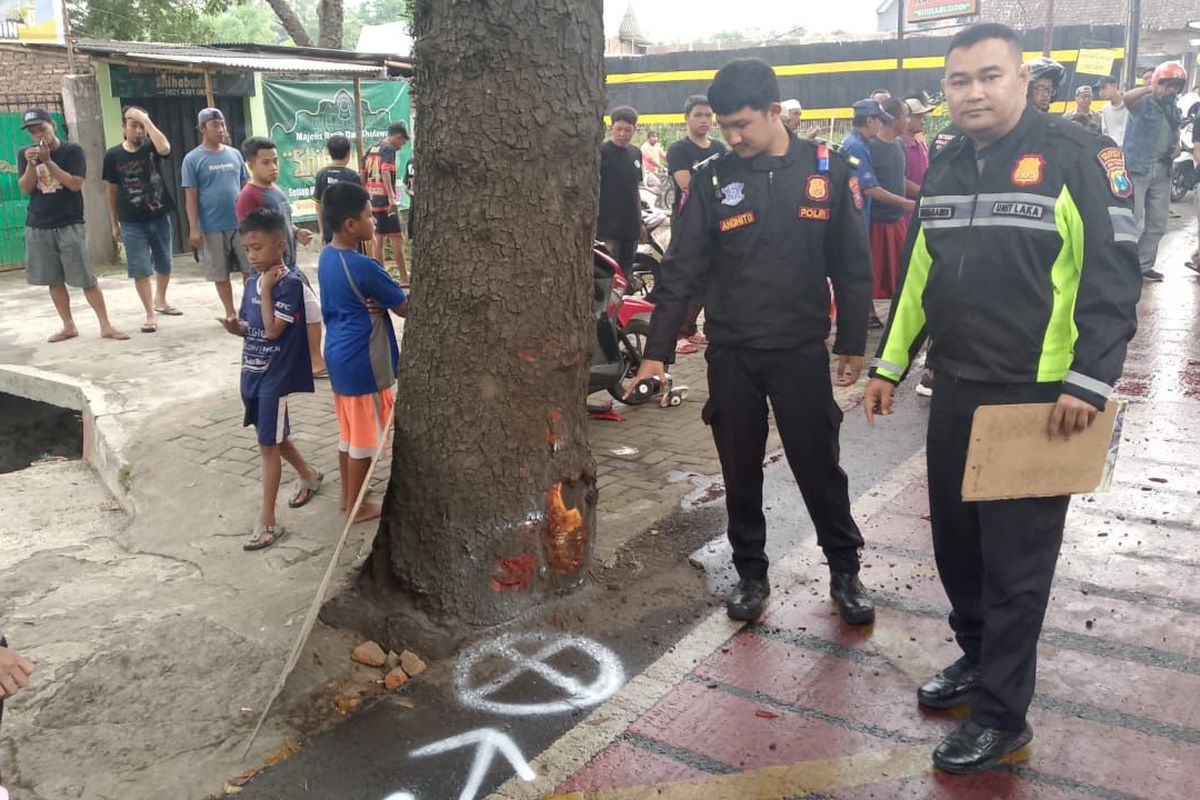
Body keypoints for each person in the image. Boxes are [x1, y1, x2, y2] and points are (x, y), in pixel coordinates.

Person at [864, 23, 1141, 774]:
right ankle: (980, 659)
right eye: (960, 81)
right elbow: (919, 277)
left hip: (1038, 399)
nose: (974, 92)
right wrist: (889, 367)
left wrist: (1088, 380)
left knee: (1016, 564)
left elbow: (1112, 278)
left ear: (1024, 81)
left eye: (990, 76)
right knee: (958, 548)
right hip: (954, 388)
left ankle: (1001, 716)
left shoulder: (1079, 157)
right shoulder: (949, 166)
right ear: (945, 91)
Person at [629, 57, 875, 626]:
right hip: (733, 351)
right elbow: (681, 272)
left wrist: (852, 342)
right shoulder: (714, 179)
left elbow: (852, 265)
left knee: (818, 462)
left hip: (798, 349)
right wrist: (654, 354)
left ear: (773, 110)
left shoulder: (827, 168)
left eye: (742, 124)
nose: (732, 136)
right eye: (724, 126)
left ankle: (845, 568)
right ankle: (750, 573)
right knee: (739, 466)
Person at [218, 209, 323, 551]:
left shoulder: (288, 284)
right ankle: (309, 475)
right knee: (272, 436)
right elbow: (255, 327)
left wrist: (265, 291)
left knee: (267, 445)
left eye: (258, 248)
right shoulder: (253, 280)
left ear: (280, 246)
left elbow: (276, 330)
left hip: (274, 377)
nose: (251, 255)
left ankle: (267, 521)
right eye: (247, 249)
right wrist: (238, 329)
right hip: (252, 372)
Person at [318, 183, 408, 522]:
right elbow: (403, 308)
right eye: (369, 215)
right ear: (350, 225)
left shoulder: (328, 256)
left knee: (348, 434)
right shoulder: (363, 266)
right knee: (365, 440)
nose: (375, 221)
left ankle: (348, 497)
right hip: (363, 363)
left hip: (339, 357)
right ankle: (356, 506)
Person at [18, 108, 128, 343]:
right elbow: (26, 189)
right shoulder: (25, 154)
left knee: (86, 277)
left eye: (42, 129)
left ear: (53, 126)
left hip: (69, 223)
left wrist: (48, 162)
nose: (38, 135)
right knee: (53, 279)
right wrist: (31, 165)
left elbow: (75, 184)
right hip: (38, 224)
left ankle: (105, 325)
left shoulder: (72, 151)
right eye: (33, 131)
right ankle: (68, 325)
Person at [235, 137, 326, 378]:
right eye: (266, 162)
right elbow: (251, 235)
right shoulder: (248, 196)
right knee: (297, 313)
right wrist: (265, 275)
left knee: (307, 311)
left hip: (290, 266)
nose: (273, 167)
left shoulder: (276, 190)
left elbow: (281, 223)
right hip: (274, 270)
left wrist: (296, 232)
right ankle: (312, 362)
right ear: (251, 165)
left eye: (275, 161)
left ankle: (308, 360)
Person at [102, 105, 178, 334]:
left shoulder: (152, 149)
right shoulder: (113, 155)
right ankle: (150, 313)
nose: (138, 131)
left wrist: (145, 119)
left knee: (164, 263)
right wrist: (113, 222)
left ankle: (161, 300)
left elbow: (165, 148)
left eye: (141, 127)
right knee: (141, 269)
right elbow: (111, 190)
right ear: (123, 128)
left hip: (159, 215)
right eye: (133, 125)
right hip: (131, 221)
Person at [666, 95, 728, 354]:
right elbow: (687, 185)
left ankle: (693, 327)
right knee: (687, 277)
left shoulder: (720, 149)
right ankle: (677, 334)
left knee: (710, 278)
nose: (704, 120)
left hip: (717, 222)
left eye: (708, 115)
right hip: (689, 221)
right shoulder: (679, 150)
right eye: (698, 115)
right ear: (686, 118)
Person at [182, 108, 249, 321]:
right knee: (220, 273)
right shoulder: (192, 159)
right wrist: (194, 228)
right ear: (202, 128)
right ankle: (230, 311)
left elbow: (246, 187)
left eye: (223, 124)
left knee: (251, 268)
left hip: (240, 224)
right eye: (215, 125)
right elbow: (191, 196)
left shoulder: (235, 154)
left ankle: (249, 308)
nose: (221, 130)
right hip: (211, 226)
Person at [1123, 61, 1187, 282]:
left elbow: (1176, 131)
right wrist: (1150, 88)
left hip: (1162, 170)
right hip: (1138, 168)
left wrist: (1177, 146)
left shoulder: (1173, 107)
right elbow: (1127, 99)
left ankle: (1142, 266)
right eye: (1168, 85)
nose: (1172, 90)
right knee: (1133, 219)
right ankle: (1121, 264)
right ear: (1158, 82)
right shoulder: (1143, 103)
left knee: (1158, 223)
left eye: (1177, 86)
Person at [867, 98, 915, 304]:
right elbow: (869, 188)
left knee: (900, 277)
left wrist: (925, 193)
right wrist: (905, 203)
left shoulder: (899, 145)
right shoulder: (870, 147)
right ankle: (868, 313)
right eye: (906, 116)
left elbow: (901, 179)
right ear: (894, 120)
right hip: (877, 223)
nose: (909, 120)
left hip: (897, 221)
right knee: (873, 277)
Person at [597, 106, 643, 282]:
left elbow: (635, 189)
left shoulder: (635, 153)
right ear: (611, 128)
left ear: (634, 130)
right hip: (607, 226)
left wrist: (640, 222)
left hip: (630, 225)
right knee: (609, 274)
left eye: (627, 130)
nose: (623, 134)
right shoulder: (601, 152)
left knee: (626, 273)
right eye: (619, 129)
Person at [361, 121, 410, 285]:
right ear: (397, 136)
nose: (401, 147)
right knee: (397, 238)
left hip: (372, 199)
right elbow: (385, 170)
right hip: (384, 201)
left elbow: (363, 174)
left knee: (378, 239)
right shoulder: (388, 149)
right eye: (402, 142)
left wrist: (364, 196)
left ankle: (381, 278)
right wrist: (391, 198)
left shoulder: (371, 149)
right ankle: (404, 278)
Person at [313, 134, 362, 245]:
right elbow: (360, 206)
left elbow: (318, 204)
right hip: (350, 230)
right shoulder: (352, 176)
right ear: (349, 154)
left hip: (329, 231)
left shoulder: (321, 174)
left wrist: (321, 231)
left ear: (329, 153)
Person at [1097, 76, 1128, 146]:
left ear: (1114, 86)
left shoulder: (1130, 103)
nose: (1101, 92)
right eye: (1099, 90)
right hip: (1114, 150)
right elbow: (1106, 132)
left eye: (1103, 88)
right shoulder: (1105, 109)